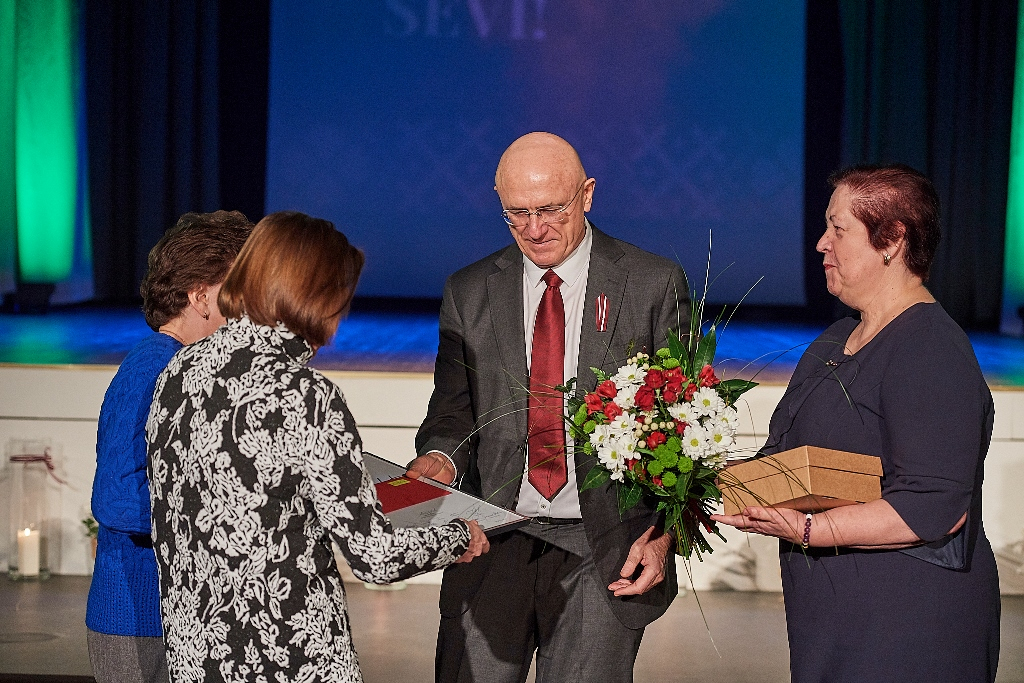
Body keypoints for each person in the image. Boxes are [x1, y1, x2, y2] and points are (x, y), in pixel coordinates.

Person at [147, 211, 489, 682]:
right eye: (341, 296)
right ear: (318, 295)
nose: (343, 311)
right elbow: (376, 557)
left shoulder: (178, 372)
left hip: (196, 658)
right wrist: (458, 535)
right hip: (290, 658)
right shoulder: (305, 395)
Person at [407, 132, 690, 682]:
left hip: (602, 542)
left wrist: (664, 534)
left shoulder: (652, 284)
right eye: (516, 214)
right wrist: (439, 460)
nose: (534, 230)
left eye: (550, 210)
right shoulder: (469, 291)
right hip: (492, 534)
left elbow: (680, 428)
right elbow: (452, 411)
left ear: (586, 195)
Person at [713, 164, 1001, 683]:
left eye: (837, 229)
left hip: (908, 623)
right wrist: (688, 476)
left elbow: (935, 505)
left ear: (891, 240)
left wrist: (809, 529)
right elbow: (782, 460)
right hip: (834, 619)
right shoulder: (834, 339)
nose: (821, 244)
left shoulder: (930, 348)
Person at [86, 210, 254, 683]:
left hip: (179, 616)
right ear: (199, 295)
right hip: (141, 618)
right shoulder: (151, 368)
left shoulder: (187, 368)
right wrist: (219, 525)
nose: (249, 307)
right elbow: (117, 498)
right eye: (236, 290)